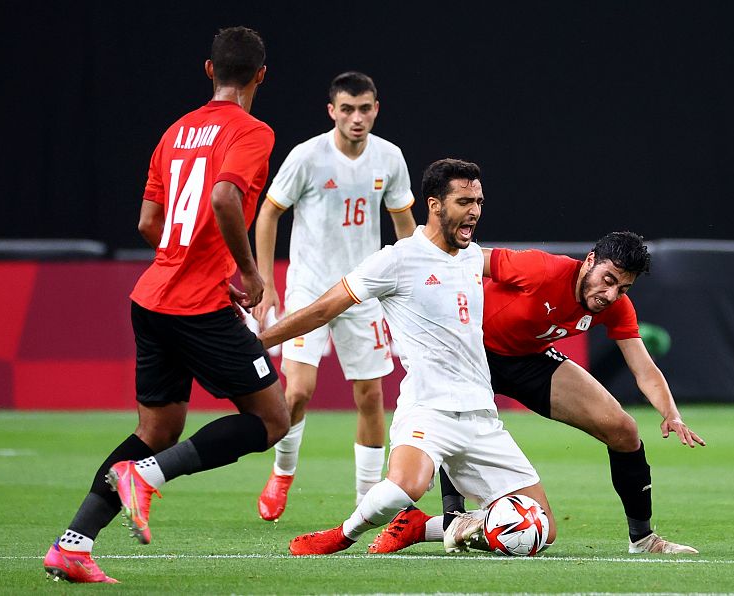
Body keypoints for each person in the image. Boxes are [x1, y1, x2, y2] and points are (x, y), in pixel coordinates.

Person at [42, 26, 290, 584]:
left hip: (153, 296)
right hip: (198, 306)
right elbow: (225, 196)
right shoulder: (253, 132)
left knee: (156, 429)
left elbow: (149, 223)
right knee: (272, 420)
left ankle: (72, 545)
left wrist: (193, 260)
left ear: (209, 71)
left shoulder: (174, 131)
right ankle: (147, 478)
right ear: (261, 76)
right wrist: (247, 273)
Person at [255, 158, 557, 555]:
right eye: (465, 202)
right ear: (435, 205)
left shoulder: (472, 257)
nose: (475, 212)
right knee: (404, 487)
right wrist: (259, 342)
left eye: (480, 202)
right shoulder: (396, 260)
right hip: (428, 409)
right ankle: (342, 535)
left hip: (482, 415)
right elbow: (322, 309)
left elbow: (531, 272)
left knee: (542, 527)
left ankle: (428, 527)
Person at [370, 231, 706, 555]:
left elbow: (644, 368)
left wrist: (670, 413)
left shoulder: (616, 305)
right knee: (457, 421)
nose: (612, 294)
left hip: (527, 359)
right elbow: (469, 259)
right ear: (590, 260)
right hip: (470, 354)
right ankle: (451, 518)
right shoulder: (541, 268)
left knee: (624, 430)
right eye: (609, 279)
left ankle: (643, 539)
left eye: (623, 287)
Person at [252, 71, 416, 521]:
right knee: (298, 392)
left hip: (363, 290)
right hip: (309, 290)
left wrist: (412, 279)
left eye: (364, 108)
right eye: (347, 109)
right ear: (332, 111)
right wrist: (266, 281)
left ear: (376, 109)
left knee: (369, 396)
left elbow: (404, 224)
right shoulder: (309, 156)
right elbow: (269, 213)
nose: (356, 117)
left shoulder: (390, 157)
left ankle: (366, 499)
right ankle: (283, 472)